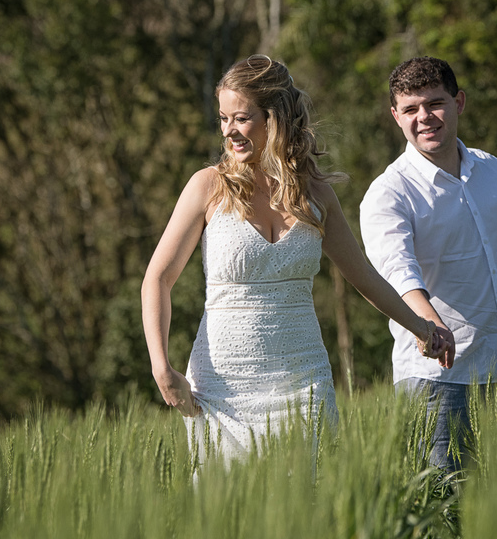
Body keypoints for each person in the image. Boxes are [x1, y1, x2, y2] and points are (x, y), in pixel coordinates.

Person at [141, 54, 453, 467]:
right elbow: (157, 279)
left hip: (304, 383)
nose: (229, 130)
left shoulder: (317, 194)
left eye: (241, 117)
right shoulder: (208, 187)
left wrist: (422, 327)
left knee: (309, 513)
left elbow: (364, 277)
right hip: (223, 388)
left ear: (275, 118)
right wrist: (162, 369)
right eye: (223, 118)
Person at [360, 56, 497, 471]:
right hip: (438, 379)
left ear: (459, 102)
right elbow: (397, 272)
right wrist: (430, 324)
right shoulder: (388, 193)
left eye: (435, 104)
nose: (424, 118)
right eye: (410, 109)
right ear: (395, 116)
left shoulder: (491, 171)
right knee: (444, 507)